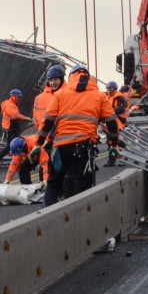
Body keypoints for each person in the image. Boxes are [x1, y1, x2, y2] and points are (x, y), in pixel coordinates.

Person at [40, 64, 107, 206]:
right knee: (83, 185)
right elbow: (112, 122)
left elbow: (48, 121)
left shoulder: (60, 94)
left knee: (53, 182)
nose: (53, 82)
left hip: (61, 147)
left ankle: (48, 216)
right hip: (84, 147)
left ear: (69, 77)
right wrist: (113, 143)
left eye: (55, 79)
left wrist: (38, 143)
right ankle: (79, 217)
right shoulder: (99, 95)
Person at [0, 88, 32, 163]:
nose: (19, 99)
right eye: (18, 97)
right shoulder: (10, 105)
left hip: (12, 129)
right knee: (10, 147)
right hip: (10, 129)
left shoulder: (9, 104)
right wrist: (28, 119)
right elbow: (16, 115)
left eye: (20, 97)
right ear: (13, 96)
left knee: (18, 144)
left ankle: (18, 160)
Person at [100, 81, 130, 166]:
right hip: (110, 124)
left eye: (108, 88)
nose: (107, 90)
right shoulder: (108, 97)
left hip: (119, 124)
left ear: (112, 89)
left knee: (120, 143)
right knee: (111, 143)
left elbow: (121, 109)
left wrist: (109, 111)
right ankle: (111, 161)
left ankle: (123, 160)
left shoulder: (120, 97)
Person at [33, 65, 66, 132]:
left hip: (46, 135)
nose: (53, 83)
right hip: (54, 136)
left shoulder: (38, 98)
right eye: (50, 80)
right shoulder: (67, 94)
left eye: (55, 79)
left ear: (61, 79)